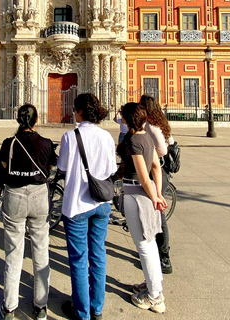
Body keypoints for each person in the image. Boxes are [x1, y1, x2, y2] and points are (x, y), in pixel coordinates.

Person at [58, 93, 117, 320]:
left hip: (76, 206)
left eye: (74, 109)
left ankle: (82, 312)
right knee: (99, 255)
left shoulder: (69, 137)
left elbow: (62, 167)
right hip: (101, 204)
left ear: (80, 111)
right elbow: (111, 170)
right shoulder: (107, 137)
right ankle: (97, 308)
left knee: (79, 259)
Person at [0, 104, 56, 320]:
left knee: (14, 252)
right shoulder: (46, 143)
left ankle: (10, 306)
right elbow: (50, 167)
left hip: (15, 196)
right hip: (39, 196)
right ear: (37, 120)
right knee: (41, 249)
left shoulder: (9, 143)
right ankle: (40, 306)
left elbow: (4, 165)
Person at [116, 102, 167, 313]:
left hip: (137, 196)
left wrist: (155, 196)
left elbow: (144, 177)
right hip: (147, 195)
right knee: (150, 243)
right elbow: (156, 167)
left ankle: (155, 298)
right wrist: (159, 192)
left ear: (128, 119)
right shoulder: (146, 137)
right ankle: (154, 285)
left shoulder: (136, 141)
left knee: (144, 246)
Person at [139, 94, 174, 274]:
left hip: (157, 173)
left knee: (158, 217)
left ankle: (164, 257)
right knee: (154, 214)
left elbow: (163, 149)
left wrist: (149, 154)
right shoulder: (160, 122)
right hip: (160, 171)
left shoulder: (151, 126)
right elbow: (172, 142)